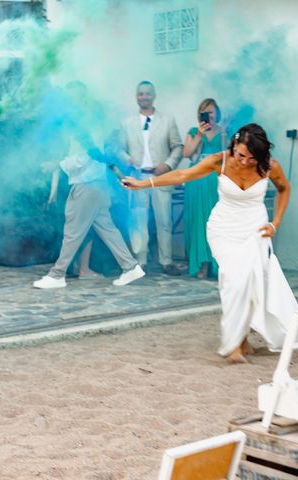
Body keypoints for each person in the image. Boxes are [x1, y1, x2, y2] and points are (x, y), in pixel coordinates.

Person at [122, 124, 296, 364]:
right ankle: (233, 345)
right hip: (223, 229)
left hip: (255, 229)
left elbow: (285, 188)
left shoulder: (270, 165)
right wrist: (144, 184)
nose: (245, 162)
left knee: (252, 281)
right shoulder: (219, 161)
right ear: (234, 145)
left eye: (251, 158)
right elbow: (183, 175)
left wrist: (275, 223)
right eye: (241, 155)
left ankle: (242, 339)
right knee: (234, 279)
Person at [33, 137, 145, 289]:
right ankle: (130, 267)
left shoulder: (85, 126)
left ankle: (57, 275)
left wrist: (57, 164)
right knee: (108, 230)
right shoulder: (91, 125)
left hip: (86, 186)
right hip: (97, 186)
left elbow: (83, 157)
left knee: (73, 232)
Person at [118, 81, 183, 275]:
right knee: (138, 220)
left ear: (153, 96)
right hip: (138, 178)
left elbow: (178, 147)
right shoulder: (127, 123)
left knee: (164, 220)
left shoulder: (168, 120)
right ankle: (141, 261)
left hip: (160, 177)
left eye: (147, 94)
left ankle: (166, 260)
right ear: (136, 97)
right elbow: (119, 149)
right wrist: (127, 159)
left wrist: (168, 165)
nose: (143, 97)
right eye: (140, 94)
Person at [182, 98, 225, 279]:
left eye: (212, 112)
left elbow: (228, 157)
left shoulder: (223, 133)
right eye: (205, 112)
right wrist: (199, 134)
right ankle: (202, 264)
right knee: (198, 221)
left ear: (217, 113)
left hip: (214, 181)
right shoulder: (193, 132)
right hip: (197, 179)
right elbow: (186, 154)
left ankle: (217, 264)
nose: (209, 115)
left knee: (214, 221)